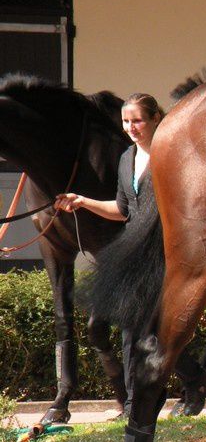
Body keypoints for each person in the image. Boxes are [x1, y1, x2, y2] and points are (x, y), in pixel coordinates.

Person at [55, 92, 165, 418]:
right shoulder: (127, 158)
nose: (131, 127)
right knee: (132, 331)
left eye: (138, 120)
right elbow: (122, 209)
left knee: (150, 330)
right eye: (126, 121)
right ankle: (136, 405)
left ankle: (182, 382)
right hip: (133, 252)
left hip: (161, 252)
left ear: (155, 118)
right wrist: (83, 201)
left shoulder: (168, 154)